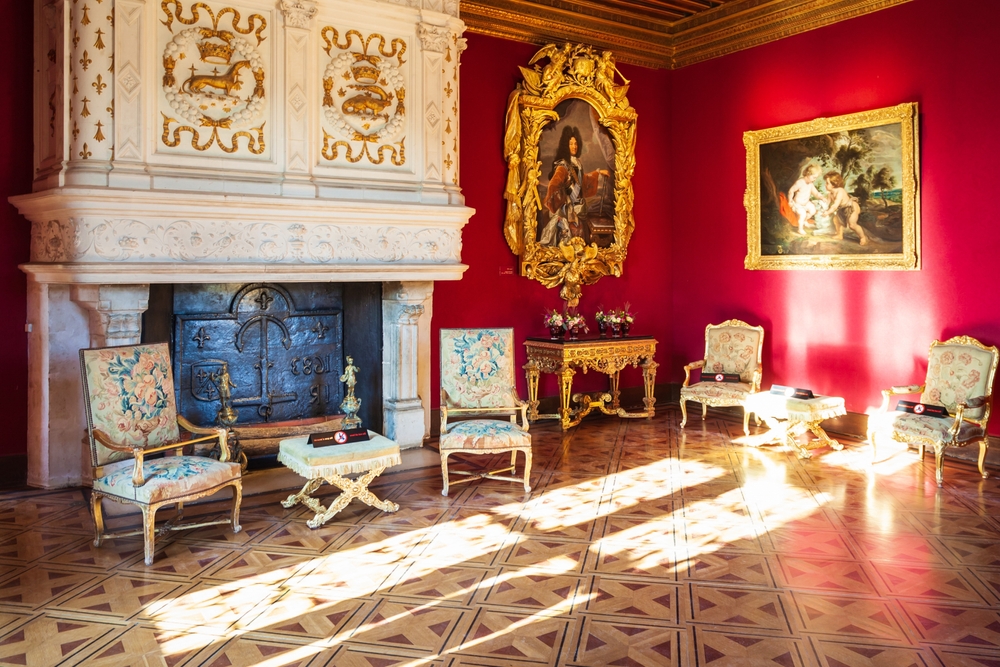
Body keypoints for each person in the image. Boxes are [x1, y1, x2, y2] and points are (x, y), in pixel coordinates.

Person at [539, 126, 610, 246]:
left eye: (576, 143)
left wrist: (598, 172)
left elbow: (582, 181)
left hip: (579, 207)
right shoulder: (563, 164)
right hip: (567, 210)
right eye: (571, 143)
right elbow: (554, 184)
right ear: (566, 145)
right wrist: (563, 195)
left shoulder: (578, 162)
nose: (574, 146)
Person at [824, 171, 869, 246]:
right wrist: (823, 209)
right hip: (842, 209)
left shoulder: (840, 191)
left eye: (827, 183)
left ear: (834, 184)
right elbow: (827, 204)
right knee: (836, 220)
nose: (825, 185)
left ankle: (862, 237)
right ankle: (839, 235)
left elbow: (835, 205)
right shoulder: (829, 194)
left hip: (851, 208)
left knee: (852, 225)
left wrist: (828, 212)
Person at [787, 164, 824, 235]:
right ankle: (800, 229)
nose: (815, 179)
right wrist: (790, 201)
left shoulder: (810, 184)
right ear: (808, 174)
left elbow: (816, 193)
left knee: (813, 210)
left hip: (806, 203)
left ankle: (805, 221)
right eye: (814, 177)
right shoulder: (799, 182)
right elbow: (791, 191)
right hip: (798, 204)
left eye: (815, 178)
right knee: (802, 214)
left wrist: (821, 197)